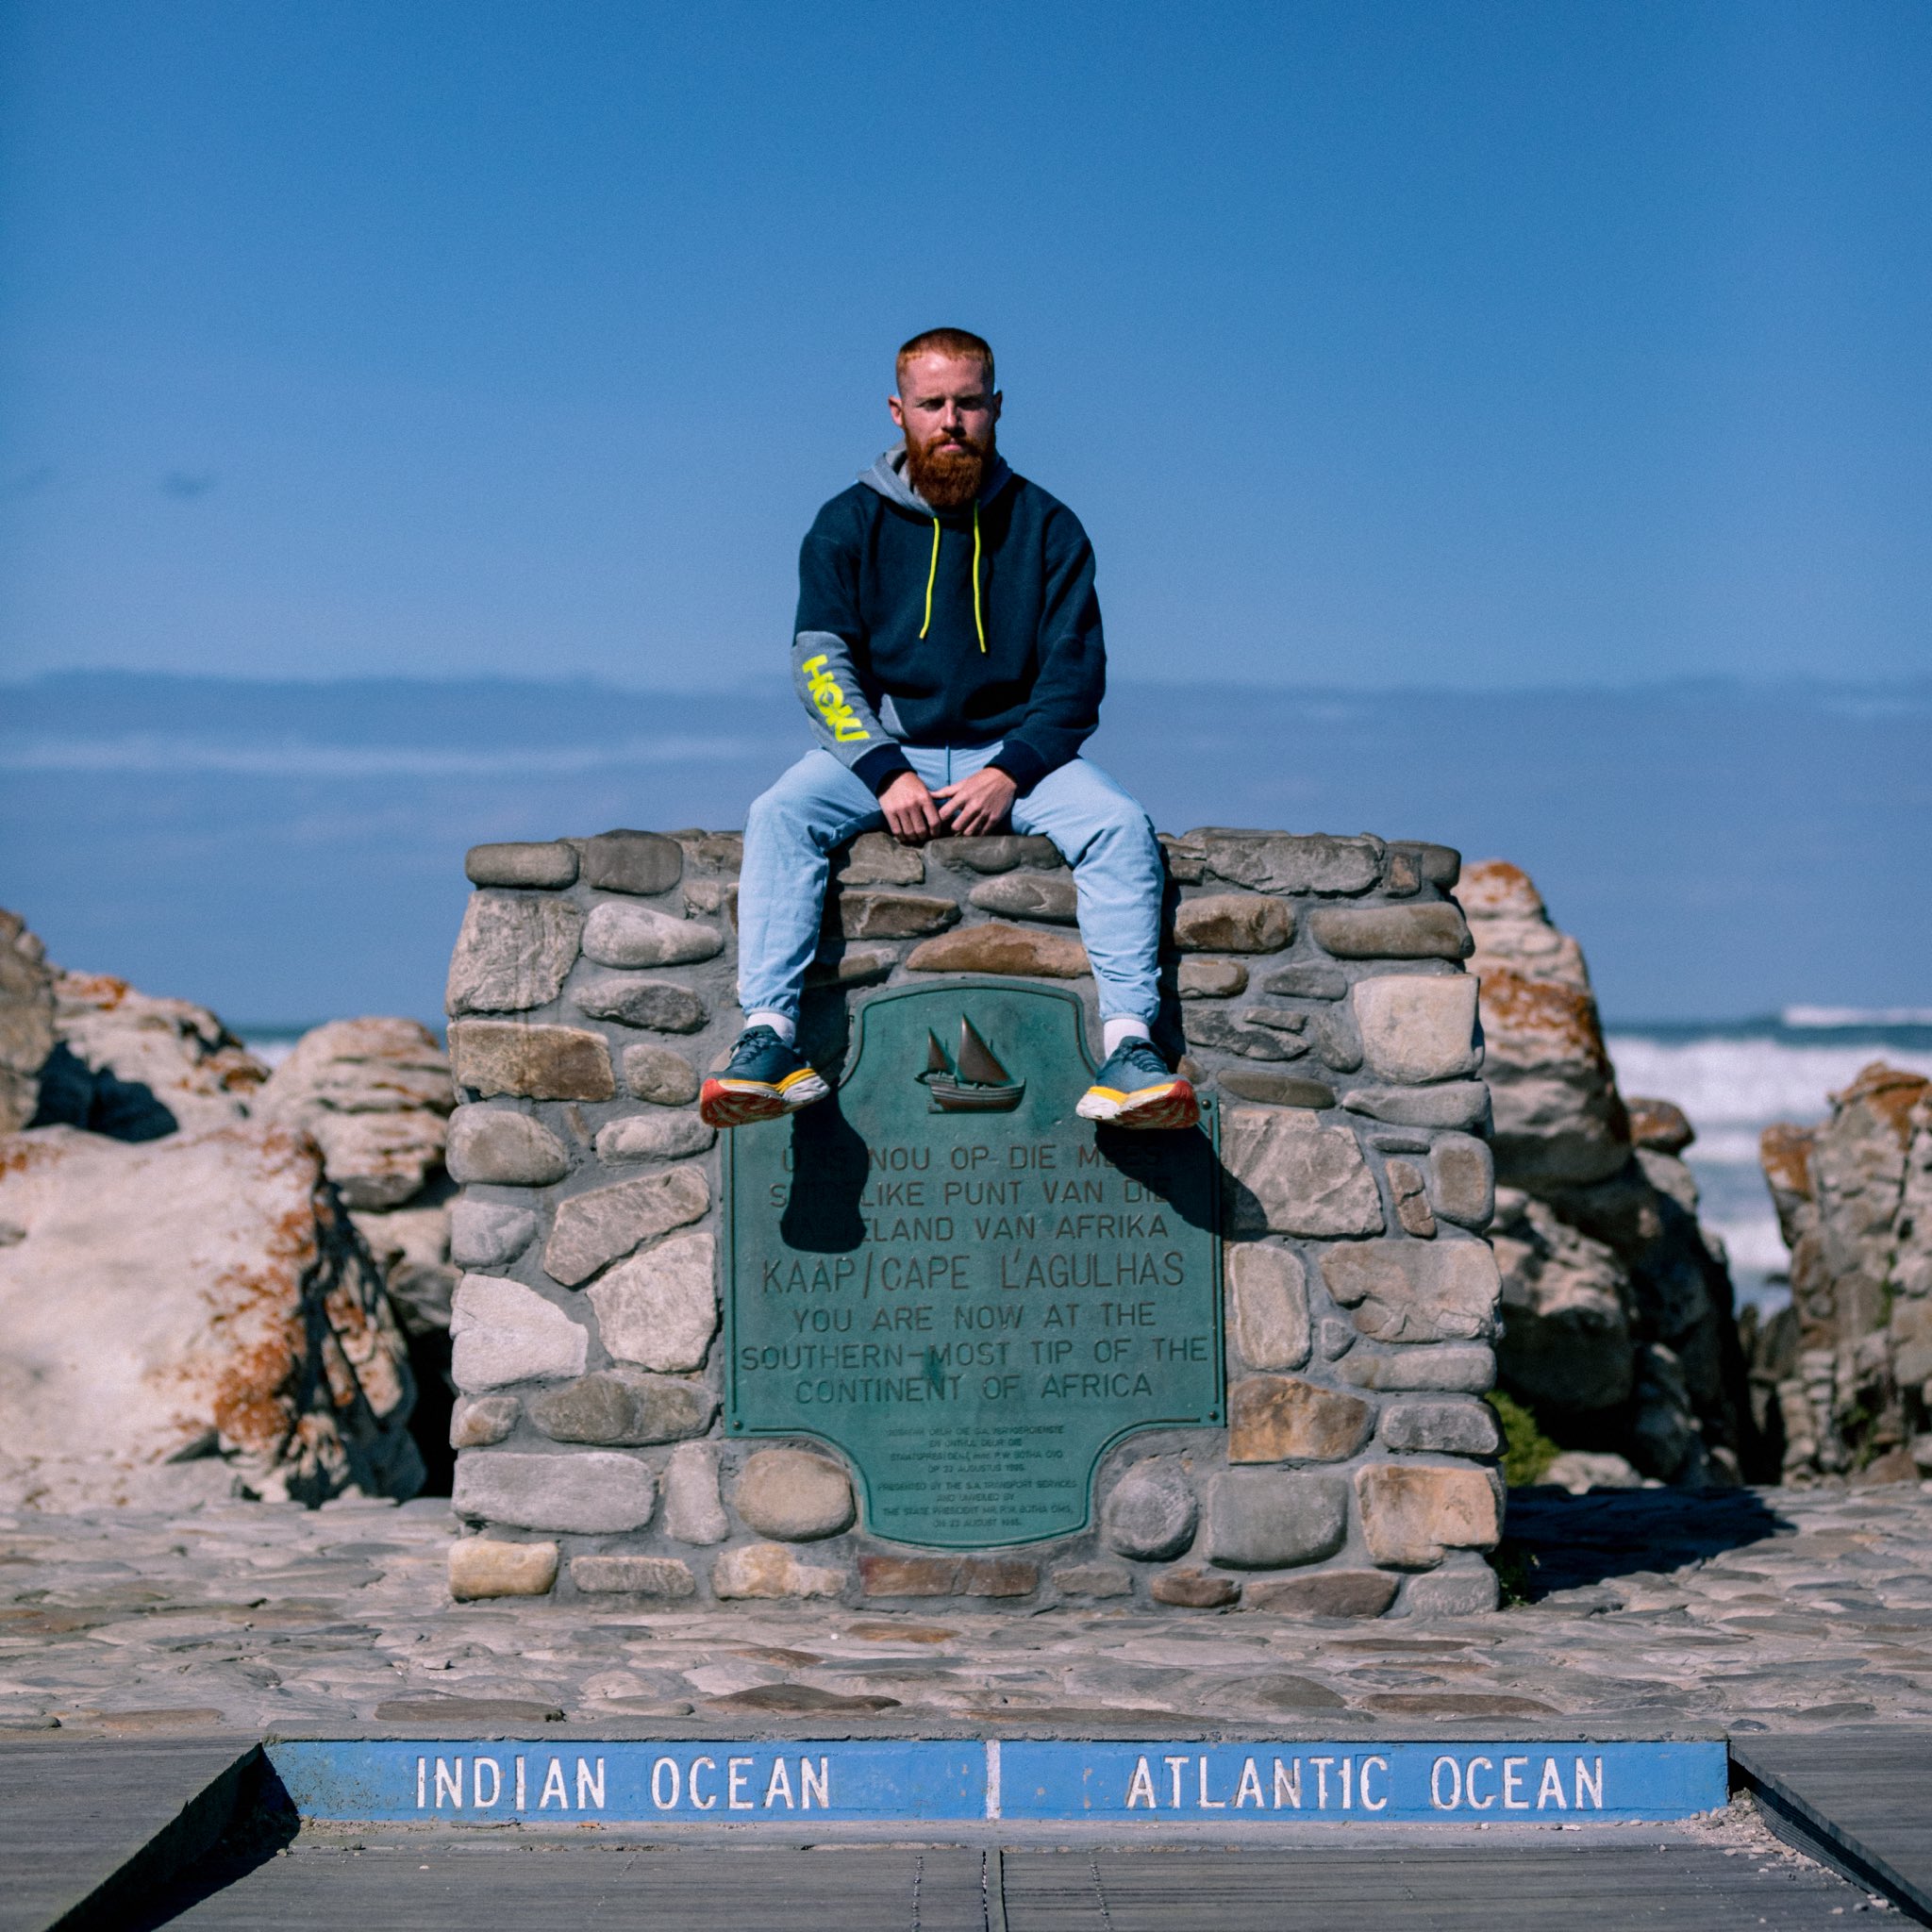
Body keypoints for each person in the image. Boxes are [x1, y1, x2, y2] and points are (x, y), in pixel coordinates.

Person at [699, 326, 1196, 1135]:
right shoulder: (846, 522)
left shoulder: (1048, 525)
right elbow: (821, 664)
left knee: (1116, 825)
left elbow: (1075, 678)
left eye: (968, 402)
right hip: (893, 752)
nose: (952, 420)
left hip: (1019, 758)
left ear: (997, 409)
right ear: (899, 412)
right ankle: (768, 1038)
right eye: (932, 404)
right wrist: (883, 768)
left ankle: (1131, 1051)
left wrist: (1012, 771)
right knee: (780, 813)